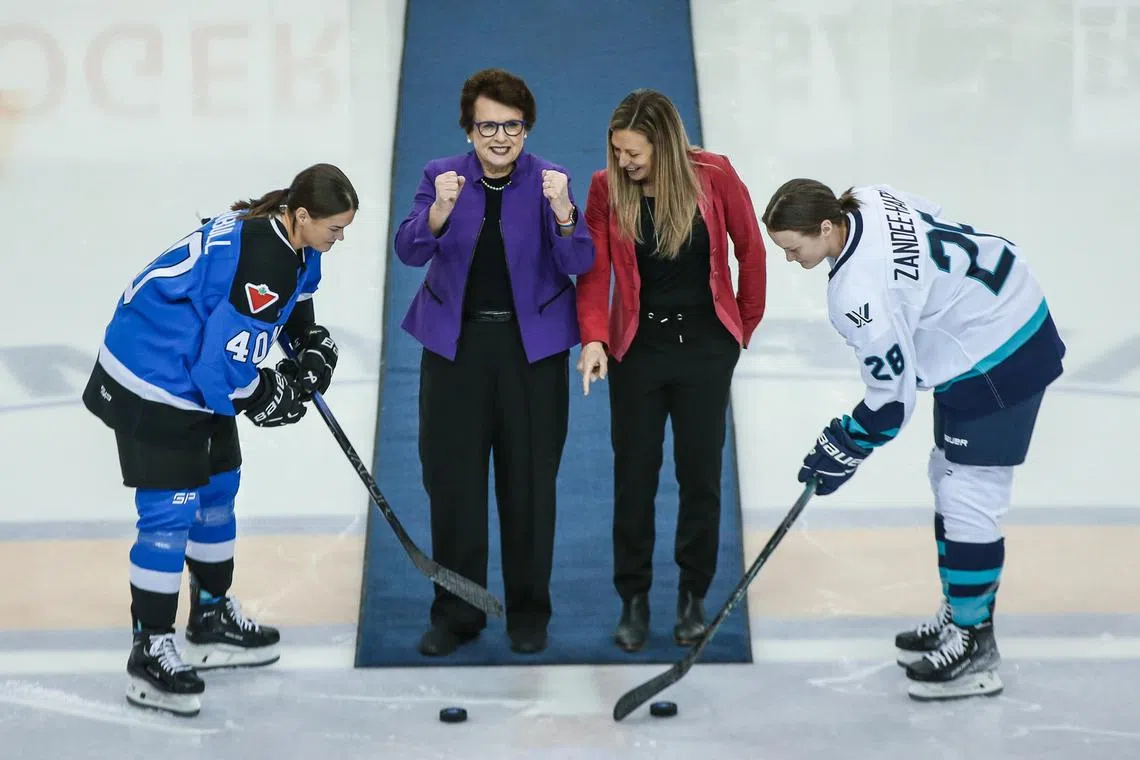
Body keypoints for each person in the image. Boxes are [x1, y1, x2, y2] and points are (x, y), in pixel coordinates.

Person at [762, 178, 1065, 701]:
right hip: (990, 313)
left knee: (969, 496)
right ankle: (961, 612)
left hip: (1000, 350)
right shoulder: (869, 195)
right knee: (946, 476)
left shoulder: (857, 295)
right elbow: (934, 217)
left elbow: (892, 403)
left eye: (794, 248)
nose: (791, 260)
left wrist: (844, 443)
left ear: (827, 228)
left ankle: (976, 647)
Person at [82, 163, 359, 716]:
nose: (340, 238)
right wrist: (265, 395)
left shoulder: (291, 241)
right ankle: (150, 649)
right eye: (335, 228)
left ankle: (209, 616)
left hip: (189, 370)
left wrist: (306, 345)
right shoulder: (264, 259)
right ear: (302, 216)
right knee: (169, 513)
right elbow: (218, 371)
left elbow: (294, 296)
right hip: (153, 379)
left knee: (217, 488)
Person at [394, 68, 594, 657]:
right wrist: (439, 212)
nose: (501, 137)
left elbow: (579, 257)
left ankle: (529, 613)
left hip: (530, 355)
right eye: (489, 126)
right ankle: (458, 612)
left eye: (512, 126)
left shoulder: (550, 180)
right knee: (452, 485)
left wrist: (563, 211)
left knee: (530, 484)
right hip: (454, 351)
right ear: (469, 128)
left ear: (526, 129)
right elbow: (409, 249)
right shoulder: (441, 176)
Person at [576, 89, 767, 652]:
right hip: (639, 350)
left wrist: (743, 328)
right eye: (618, 151)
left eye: (634, 152)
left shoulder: (715, 174)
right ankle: (633, 599)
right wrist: (593, 338)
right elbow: (593, 273)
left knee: (700, 477)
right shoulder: (606, 188)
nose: (625, 162)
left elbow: (749, 249)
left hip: (706, 350)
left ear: (664, 143)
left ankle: (692, 597)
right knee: (634, 478)